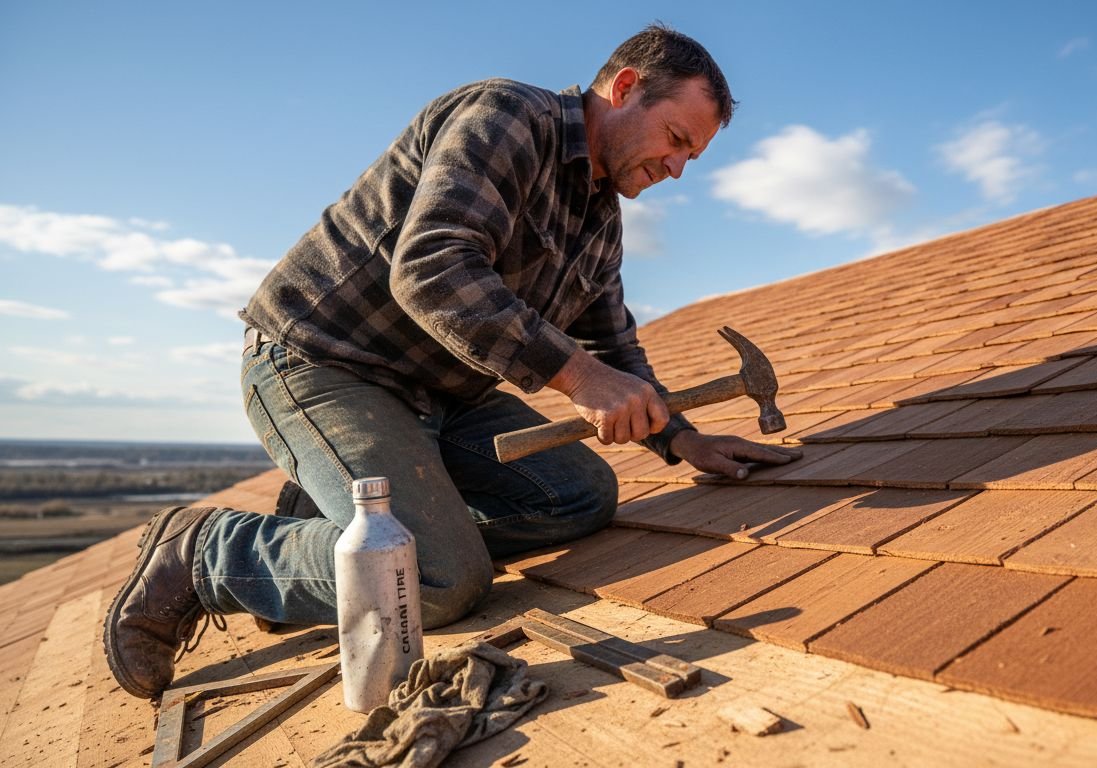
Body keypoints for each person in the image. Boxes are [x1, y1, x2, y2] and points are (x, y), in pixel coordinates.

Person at [104, 23, 801, 699]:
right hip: (325, 363)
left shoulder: (600, 219)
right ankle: (206, 552)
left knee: (581, 495)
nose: (676, 169)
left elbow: (611, 347)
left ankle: (329, 536)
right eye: (676, 138)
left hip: (445, 396)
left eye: (691, 158)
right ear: (624, 88)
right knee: (437, 579)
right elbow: (432, 268)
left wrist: (680, 438)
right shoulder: (508, 117)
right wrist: (581, 379)